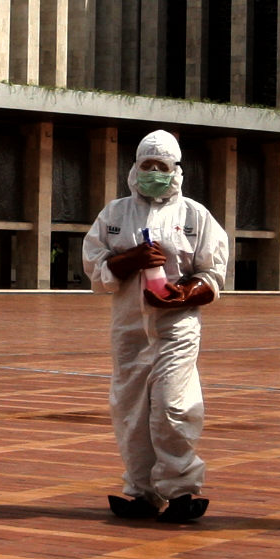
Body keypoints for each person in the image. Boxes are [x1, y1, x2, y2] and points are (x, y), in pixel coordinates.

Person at [81, 131, 229, 523]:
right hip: (129, 328)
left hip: (175, 329)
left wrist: (184, 294)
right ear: (134, 168)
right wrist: (129, 258)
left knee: (172, 406)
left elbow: (213, 274)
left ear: (176, 171)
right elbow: (95, 267)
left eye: (161, 167)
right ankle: (143, 492)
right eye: (146, 165)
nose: (153, 173)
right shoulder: (114, 215)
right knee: (131, 409)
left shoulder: (195, 217)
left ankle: (180, 490)